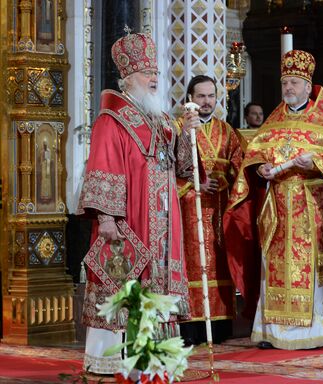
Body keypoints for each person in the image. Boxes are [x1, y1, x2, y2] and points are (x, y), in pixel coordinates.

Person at [224, 50, 323, 350]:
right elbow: (254, 154)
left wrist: (317, 165)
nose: (288, 88)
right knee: (274, 268)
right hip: (277, 208)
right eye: (285, 83)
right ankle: (271, 331)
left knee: (312, 270)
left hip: (312, 209)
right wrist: (259, 167)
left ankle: (315, 330)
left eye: (294, 82)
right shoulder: (274, 120)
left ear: (308, 85)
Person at [77, 31, 191, 374]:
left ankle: (159, 354)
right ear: (128, 79)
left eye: (156, 73)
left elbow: (184, 166)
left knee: (160, 279)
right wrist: (108, 217)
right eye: (147, 74)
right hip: (131, 219)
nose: (154, 79)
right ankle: (114, 358)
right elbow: (103, 165)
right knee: (124, 280)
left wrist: (189, 133)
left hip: (165, 218)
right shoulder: (111, 120)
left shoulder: (161, 119)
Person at [177, 75, 243, 345]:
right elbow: (167, 168)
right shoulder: (178, 128)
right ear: (190, 98)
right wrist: (194, 183)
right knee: (192, 264)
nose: (206, 102)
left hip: (219, 209)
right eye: (201, 96)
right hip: (187, 210)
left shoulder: (227, 131)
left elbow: (240, 168)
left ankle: (219, 326)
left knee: (218, 264)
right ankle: (190, 326)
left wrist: (226, 180)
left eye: (211, 96)